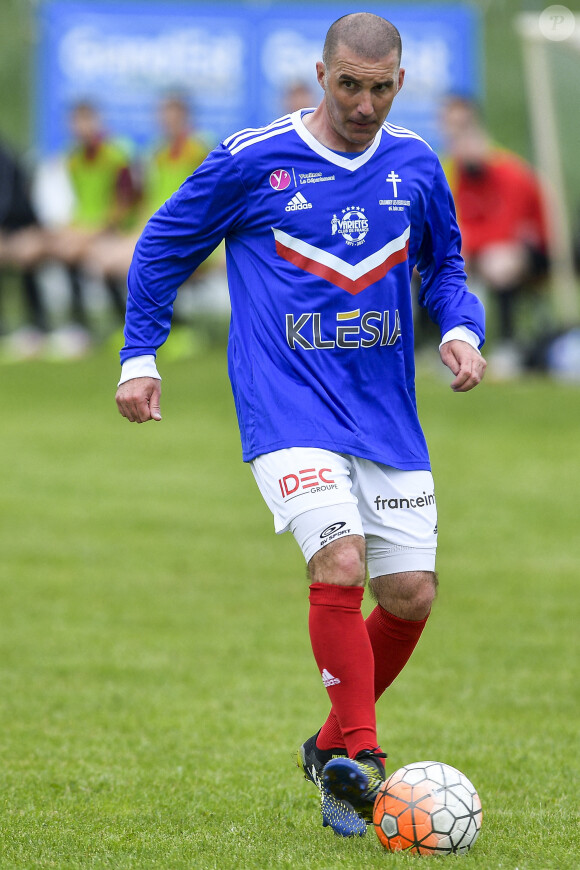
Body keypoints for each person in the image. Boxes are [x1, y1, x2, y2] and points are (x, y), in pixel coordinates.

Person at [115, 13, 486, 838]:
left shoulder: (417, 164)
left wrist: (461, 329)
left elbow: (446, 265)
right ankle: (368, 762)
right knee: (341, 562)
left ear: (401, 80)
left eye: (380, 87)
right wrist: (139, 354)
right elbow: (163, 245)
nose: (363, 103)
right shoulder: (253, 159)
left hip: (384, 409)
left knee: (411, 595)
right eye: (348, 85)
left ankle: (328, 750)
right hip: (286, 404)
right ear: (322, 74)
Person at [440, 95, 549, 376]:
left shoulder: (509, 172)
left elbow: (505, 232)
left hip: (532, 252)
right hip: (485, 249)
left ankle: (508, 345)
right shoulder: (455, 172)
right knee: (433, 259)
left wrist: (466, 243)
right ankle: (440, 343)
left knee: (497, 262)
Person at [0, 138, 51, 354]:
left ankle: (38, 322)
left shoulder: (5, 156)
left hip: (19, 227)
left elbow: (13, 200)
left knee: (28, 253)